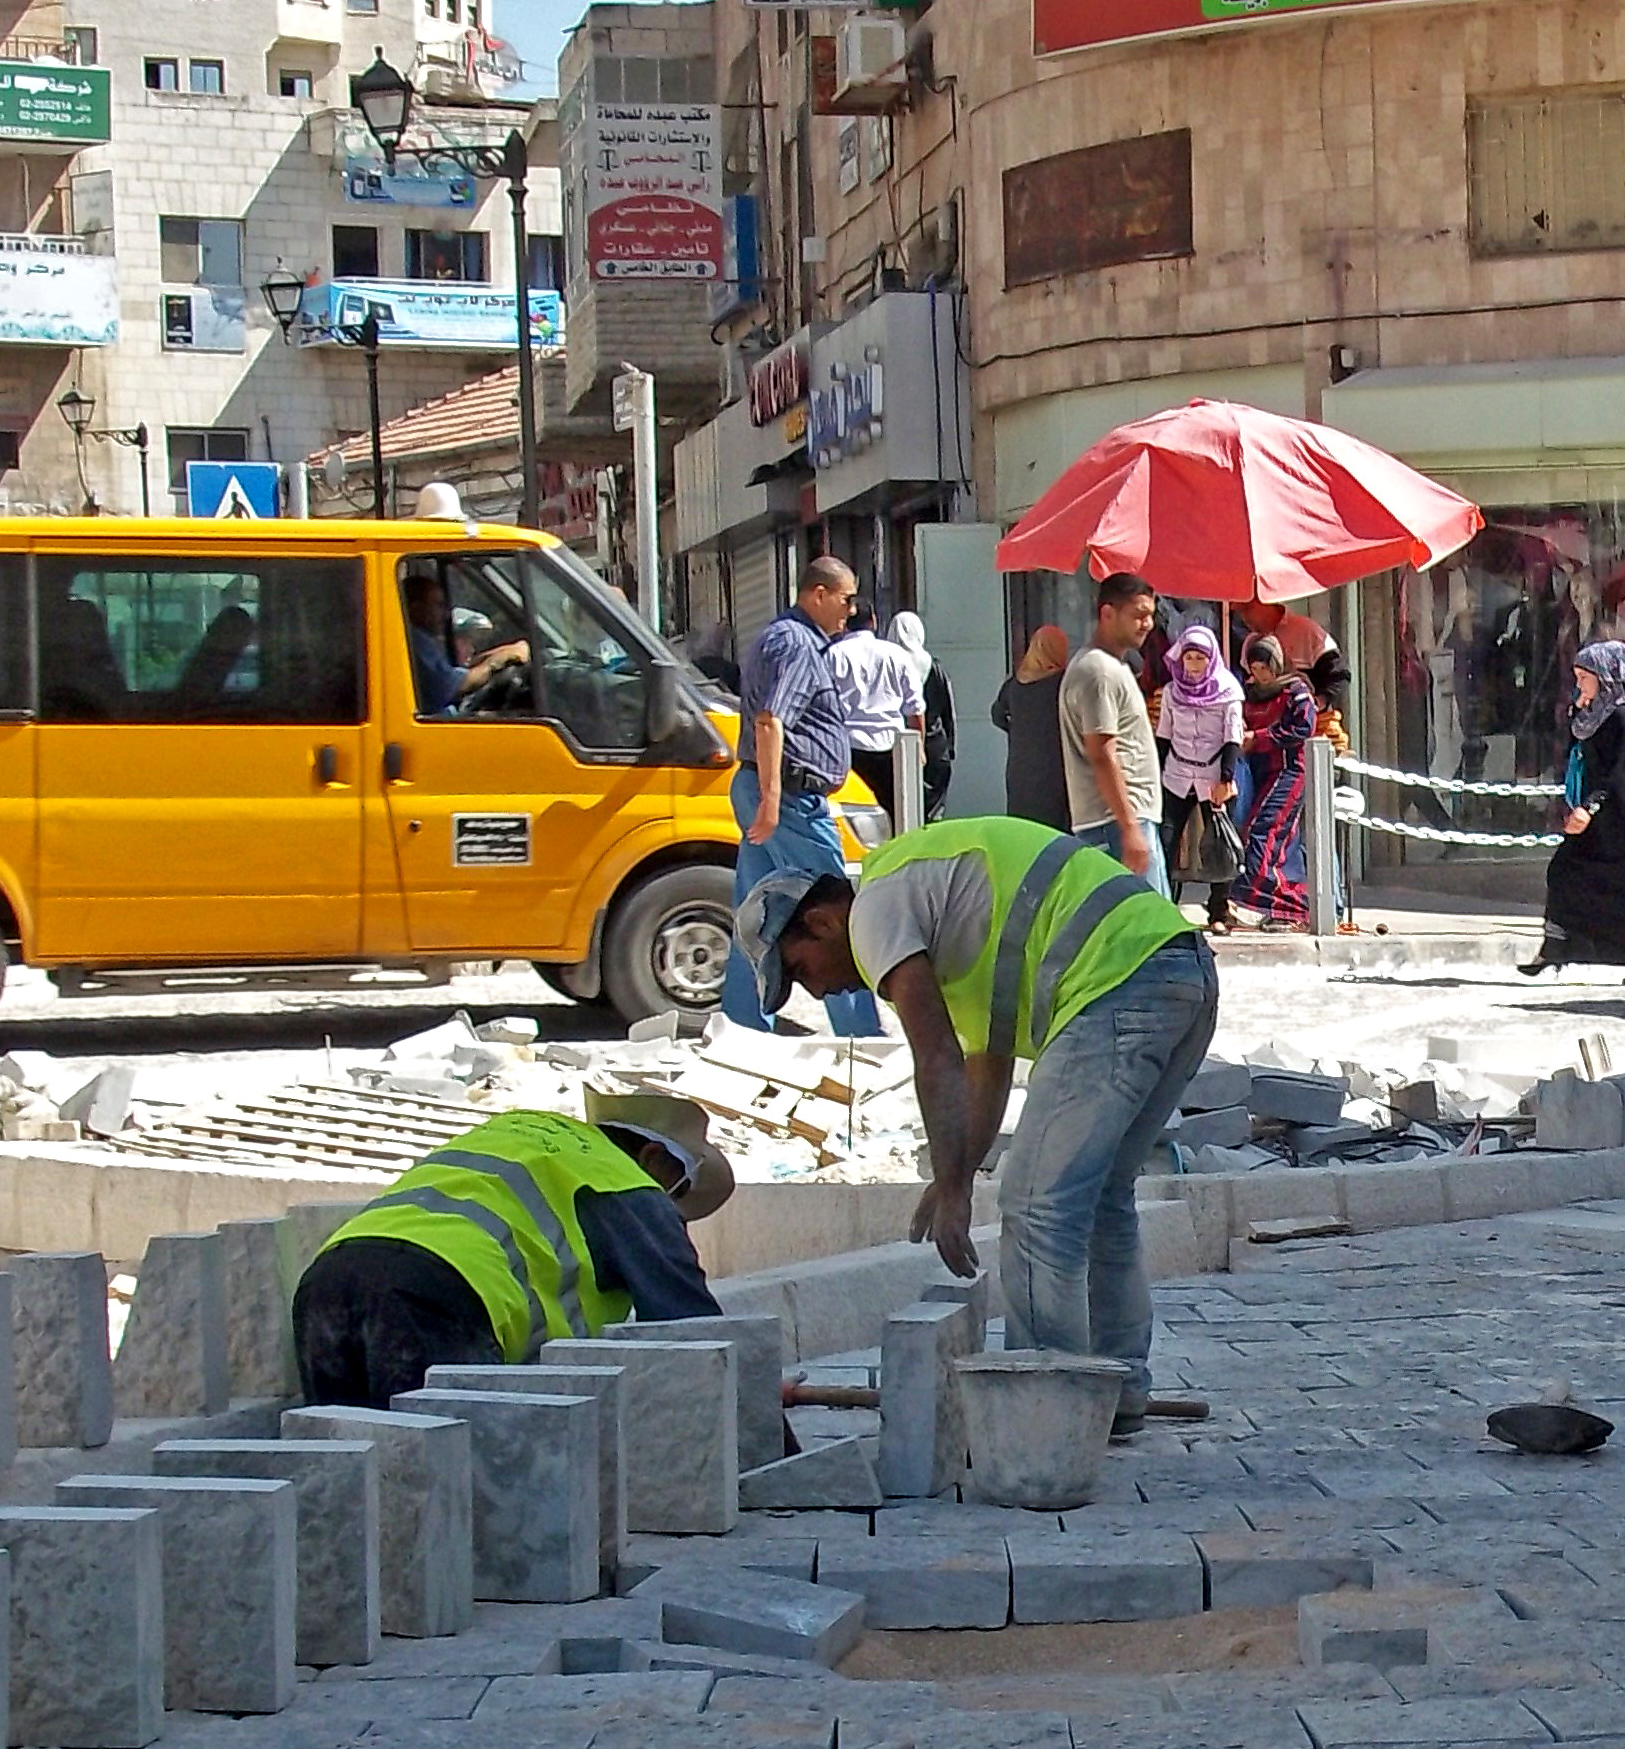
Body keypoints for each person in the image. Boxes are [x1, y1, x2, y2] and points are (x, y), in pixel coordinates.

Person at [737, 817, 1216, 1433]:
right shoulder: (943, 922)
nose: (820, 990)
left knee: (1038, 1210)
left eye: (801, 971)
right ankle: (1115, 1399)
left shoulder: (875, 909)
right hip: (1178, 970)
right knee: (1097, 1199)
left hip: (1117, 983)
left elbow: (932, 1054)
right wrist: (954, 1175)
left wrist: (957, 1188)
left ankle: (1045, 1422)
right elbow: (982, 1071)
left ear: (822, 922)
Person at [292, 1093, 734, 1406]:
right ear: (653, 1157)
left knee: (348, 1480)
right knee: (450, 1489)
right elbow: (694, 1337)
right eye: (676, 1190)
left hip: (327, 1280)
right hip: (439, 1296)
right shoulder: (626, 1182)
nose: (669, 1209)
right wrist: (760, 1417)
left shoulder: (522, 1135)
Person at [724, 555, 884, 1035]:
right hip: (788, 796)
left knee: (756, 914)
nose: (851, 610)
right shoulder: (797, 645)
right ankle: (859, 1030)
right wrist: (773, 800)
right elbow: (771, 720)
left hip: (766, 788)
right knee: (834, 911)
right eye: (845, 598)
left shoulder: (782, 636)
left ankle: (745, 1021)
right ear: (818, 594)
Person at [1520, 639, 1625, 985]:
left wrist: (1590, 808)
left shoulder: (1621, 715)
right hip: (1593, 809)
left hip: (1616, 812)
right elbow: (1578, 749)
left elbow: (1616, 770)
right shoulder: (1592, 715)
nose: (1579, 686)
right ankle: (1557, 948)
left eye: (1584, 678)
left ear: (1605, 676)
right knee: (1565, 872)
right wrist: (1578, 710)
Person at [1060, 573, 1169, 897]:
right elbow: (1102, 753)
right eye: (1138, 615)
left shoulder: (1112, 667)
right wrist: (1129, 828)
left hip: (1123, 820)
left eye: (1150, 615)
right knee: (1150, 933)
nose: (1147, 624)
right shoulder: (1098, 671)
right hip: (1115, 822)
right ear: (1107, 613)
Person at [1158, 622, 1244, 933]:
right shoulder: (1171, 691)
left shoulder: (1228, 691)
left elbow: (1232, 737)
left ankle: (1218, 912)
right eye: (1188, 658)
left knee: (1220, 844)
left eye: (1200, 659)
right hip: (1177, 774)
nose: (1193, 666)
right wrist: (1157, 771)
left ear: (1212, 659)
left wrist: (1225, 778)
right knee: (1166, 841)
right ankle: (1164, 909)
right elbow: (1164, 735)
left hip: (1213, 776)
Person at [1233, 634, 1316, 929]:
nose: (1260, 675)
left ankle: (1259, 899)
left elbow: (1303, 726)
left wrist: (1260, 738)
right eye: (1254, 669)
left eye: (1264, 668)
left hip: (1288, 771)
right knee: (1284, 842)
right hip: (1256, 773)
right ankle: (1290, 908)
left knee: (1264, 830)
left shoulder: (1296, 691)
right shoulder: (1247, 693)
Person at [829, 596, 927, 822]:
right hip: (892, 747)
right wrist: (919, 747)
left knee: (856, 819)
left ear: (845, 622)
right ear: (873, 621)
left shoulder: (834, 655)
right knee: (897, 816)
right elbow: (915, 708)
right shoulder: (896, 654)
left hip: (851, 748)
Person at [993, 626, 1073, 830]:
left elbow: (997, 715)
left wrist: (1020, 731)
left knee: (1024, 833)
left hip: (1020, 769)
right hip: (1056, 769)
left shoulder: (1014, 684)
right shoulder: (1064, 683)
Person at [892, 612, 958, 821]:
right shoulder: (933, 667)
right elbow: (947, 710)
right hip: (935, 744)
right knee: (934, 811)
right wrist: (951, 746)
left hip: (898, 745)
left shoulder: (889, 665)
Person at [403, 574, 497, 716]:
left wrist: (503, 654)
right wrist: (494, 664)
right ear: (416, 608)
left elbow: (460, 672)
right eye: (438, 605)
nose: (446, 614)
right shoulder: (414, 642)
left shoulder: (420, 640)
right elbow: (455, 686)